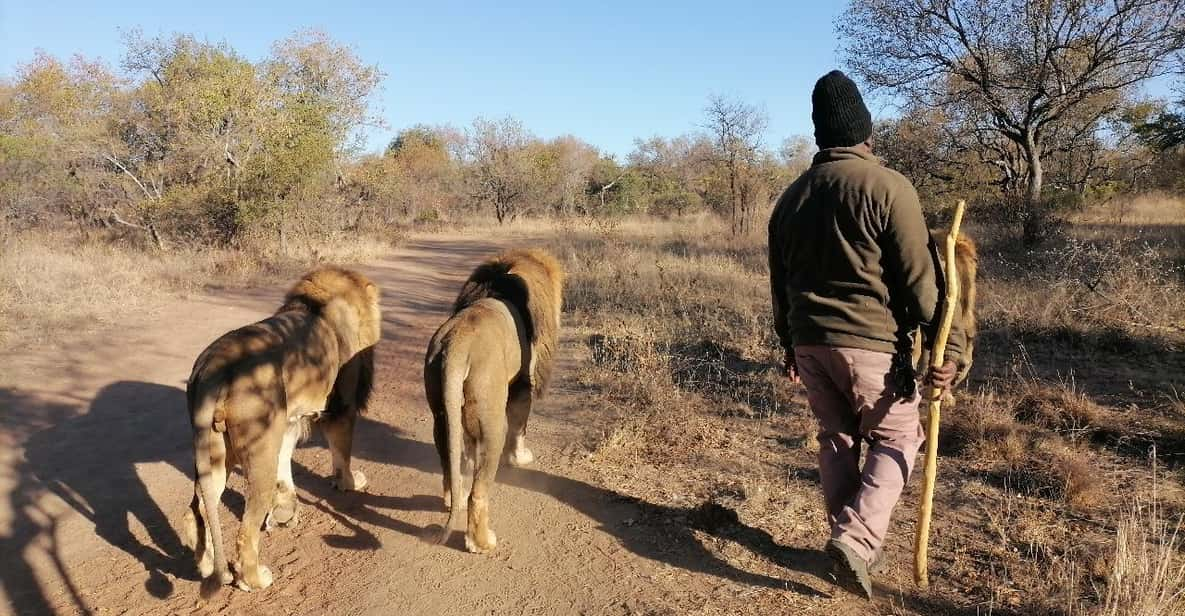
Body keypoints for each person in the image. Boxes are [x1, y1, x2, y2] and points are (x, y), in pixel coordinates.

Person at [767, 70, 965, 599]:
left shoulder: (791, 198)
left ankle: (845, 541)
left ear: (819, 136)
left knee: (837, 439)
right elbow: (925, 289)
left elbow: (779, 285)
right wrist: (954, 349)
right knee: (899, 436)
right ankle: (854, 542)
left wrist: (789, 343)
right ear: (867, 133)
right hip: (871, 346)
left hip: (809, 342)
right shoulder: (888, 186)